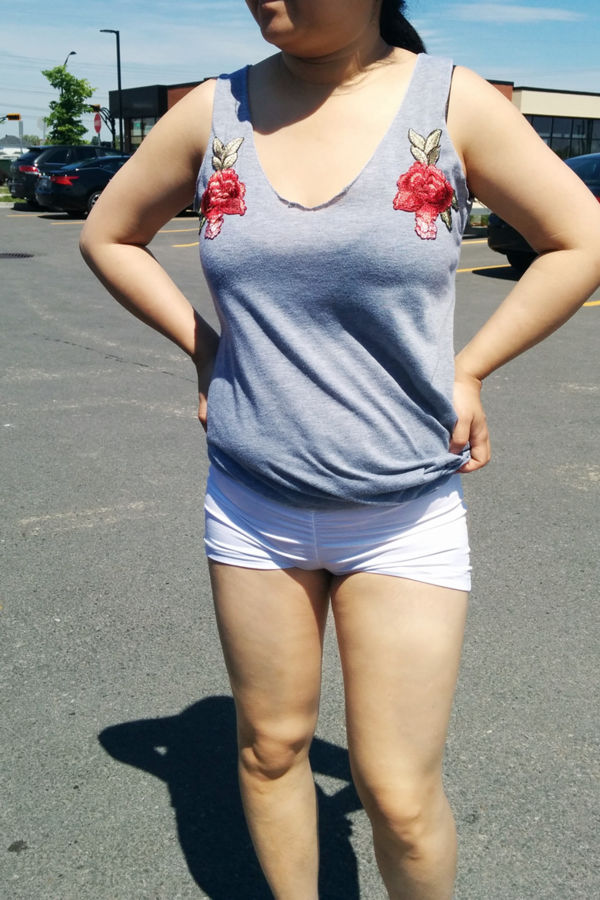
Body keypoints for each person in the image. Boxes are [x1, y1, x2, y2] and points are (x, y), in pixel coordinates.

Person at [80, 2, 600, 897]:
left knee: (397, 794)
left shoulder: (452, 102)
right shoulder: (216, 110)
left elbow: (579, 238)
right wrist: (205, 350)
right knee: (270, 749)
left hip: (403, 513)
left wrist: (472, 368)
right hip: (253, 507)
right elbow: (108, 233)